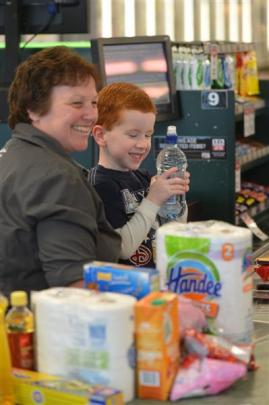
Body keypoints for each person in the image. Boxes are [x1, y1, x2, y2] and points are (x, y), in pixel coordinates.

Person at [0, 46, 121, 297]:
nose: (91, 115)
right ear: (33, 109)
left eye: (94, 102)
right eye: (77, 103)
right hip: (44, 329)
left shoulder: (12, 153)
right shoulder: (57, 178)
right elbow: (75, 287)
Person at [90, 82, 190, 268]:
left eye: (147, 135)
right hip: (127, 289)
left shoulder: (142, 177)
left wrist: (176, 199)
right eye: (133, 135)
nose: (143, 144)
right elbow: (122, 248)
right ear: (101, 135)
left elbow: (172, 233)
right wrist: (153, 199)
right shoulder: (100, 185)